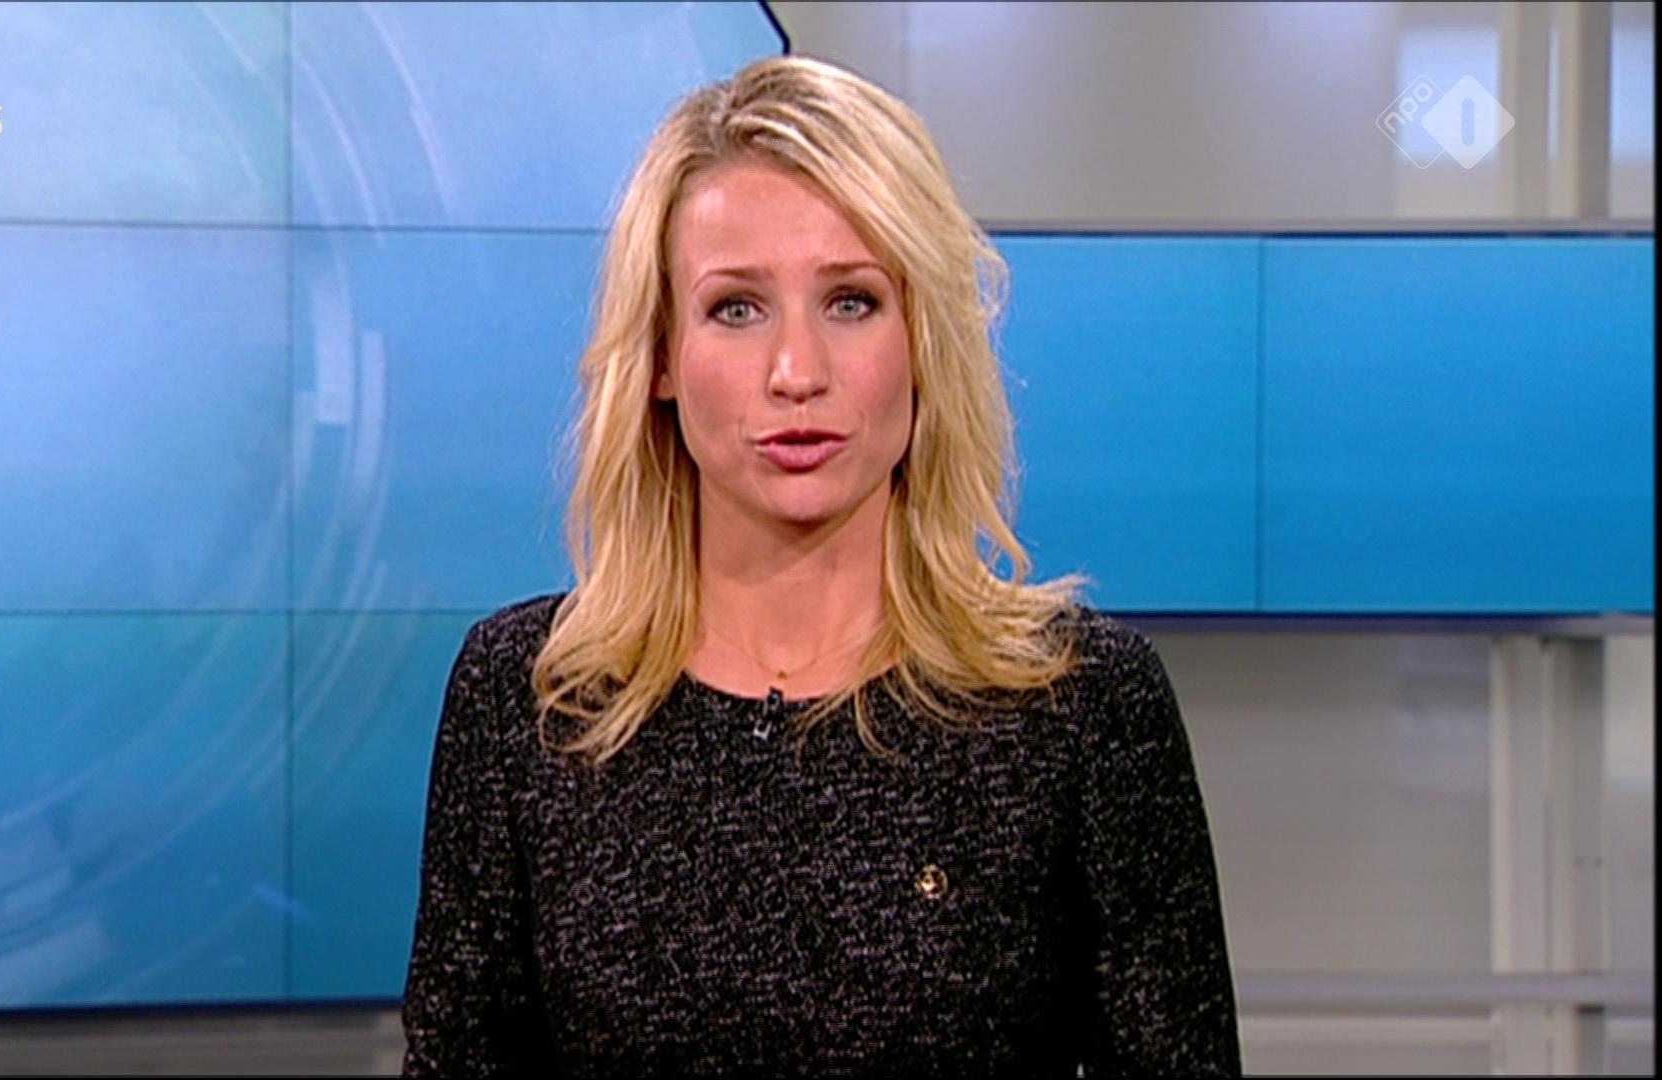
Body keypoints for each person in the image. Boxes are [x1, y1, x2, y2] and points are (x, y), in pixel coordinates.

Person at [401, 55, 1241, 1076]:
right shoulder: (529, 701)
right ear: (660, 357)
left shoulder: (1083, 708)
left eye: (851, 302)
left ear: (923, 341)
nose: (797, 373)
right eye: (736, 308)